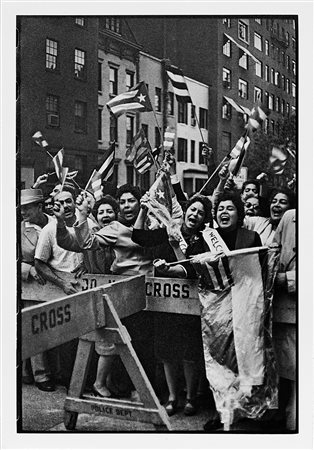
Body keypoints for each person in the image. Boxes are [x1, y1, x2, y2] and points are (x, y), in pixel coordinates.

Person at [57, 184, 155, 398]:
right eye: (123, 202)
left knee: (151, 342)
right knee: (130, 341)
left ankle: (150, 390)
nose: (127, 205)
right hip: (129, 292)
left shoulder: (152, 221)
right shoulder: (115, 228)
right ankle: (134, 389)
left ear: (140, 203)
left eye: (132, 201)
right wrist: (82, 215)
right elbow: (88, 243)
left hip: (156, 292)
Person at [132, 194, 213, 417]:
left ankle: (190, 397)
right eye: (192, 210)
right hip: (164, 300)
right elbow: (139, 237)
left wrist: (175, 250)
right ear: (185, 211)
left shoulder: (203, 240)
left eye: (200, 213)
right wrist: (143, 209)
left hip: (188, 304)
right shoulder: (168, 230)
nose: (194, 215)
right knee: (166, 352)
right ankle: (171, 397)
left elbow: (190, 270)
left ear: (204, 219)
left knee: (188, 352)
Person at [55, 195, 119, 397]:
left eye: (109, 211)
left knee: (114, 341)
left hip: (118, 295)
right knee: (97, 340)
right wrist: (59, 222)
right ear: (96, 216)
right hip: (95, 296)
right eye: (101, 212)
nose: (105, 215)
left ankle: (107, 382)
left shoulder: (121, 232)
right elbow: (68, 241)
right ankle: (98, 384)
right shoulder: (89, 234)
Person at [34, 187, 95, 386]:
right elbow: (39, 263)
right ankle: (70, 382)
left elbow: (96, 251)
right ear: (55, 207)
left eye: (69, 201)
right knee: (65, 340)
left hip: (85, 287)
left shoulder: (88, 223)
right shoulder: (50, 230)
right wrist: (61, 283)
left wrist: (87, 263)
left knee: (87, 335)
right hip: (61, 290)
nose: (66, 206)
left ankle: (86, 381)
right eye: (60, 203)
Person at [20, 188, 56, 391]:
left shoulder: (56, 223)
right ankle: (40, 374)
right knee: (36, 326)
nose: (23, 212)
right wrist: (29, 268)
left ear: (39, 206)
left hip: (57, 281)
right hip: (32, 286)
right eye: (21, 208)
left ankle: (28, 370)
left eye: (27, 208)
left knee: (54, 325)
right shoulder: (17, 229)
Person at [271, 209, 296, 431]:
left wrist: (289, 278)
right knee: (287, 364)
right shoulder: (289, 217)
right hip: (287, 308)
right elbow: (273, 249)